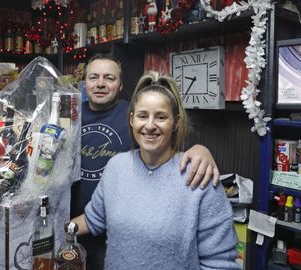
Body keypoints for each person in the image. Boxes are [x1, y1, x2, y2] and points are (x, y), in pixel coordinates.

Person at [72, 70, 238, 269]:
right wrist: (52, 234)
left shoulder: (198, 175)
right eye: (143, 116)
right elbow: (94, 219)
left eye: (160, 117)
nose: (149, 126)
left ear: (175, 123)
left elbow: (220, 264)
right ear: (132, 119)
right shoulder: (117, 167)